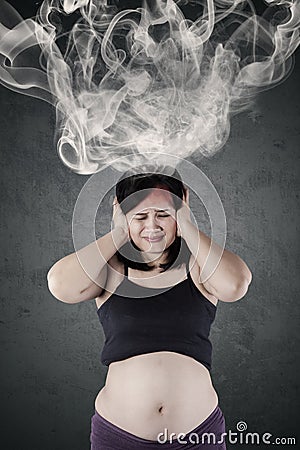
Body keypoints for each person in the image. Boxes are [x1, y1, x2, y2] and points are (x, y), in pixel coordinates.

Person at [47, 167, 252, 449]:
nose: (152, 227)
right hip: (119, 438)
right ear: (121, 213)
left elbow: (236, 285)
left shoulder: (199, 265)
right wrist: (120, 231)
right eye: (140, 217)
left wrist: (187, 223)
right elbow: (60, 285)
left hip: (198, 437)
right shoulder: (111, 269)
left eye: (164, 215)